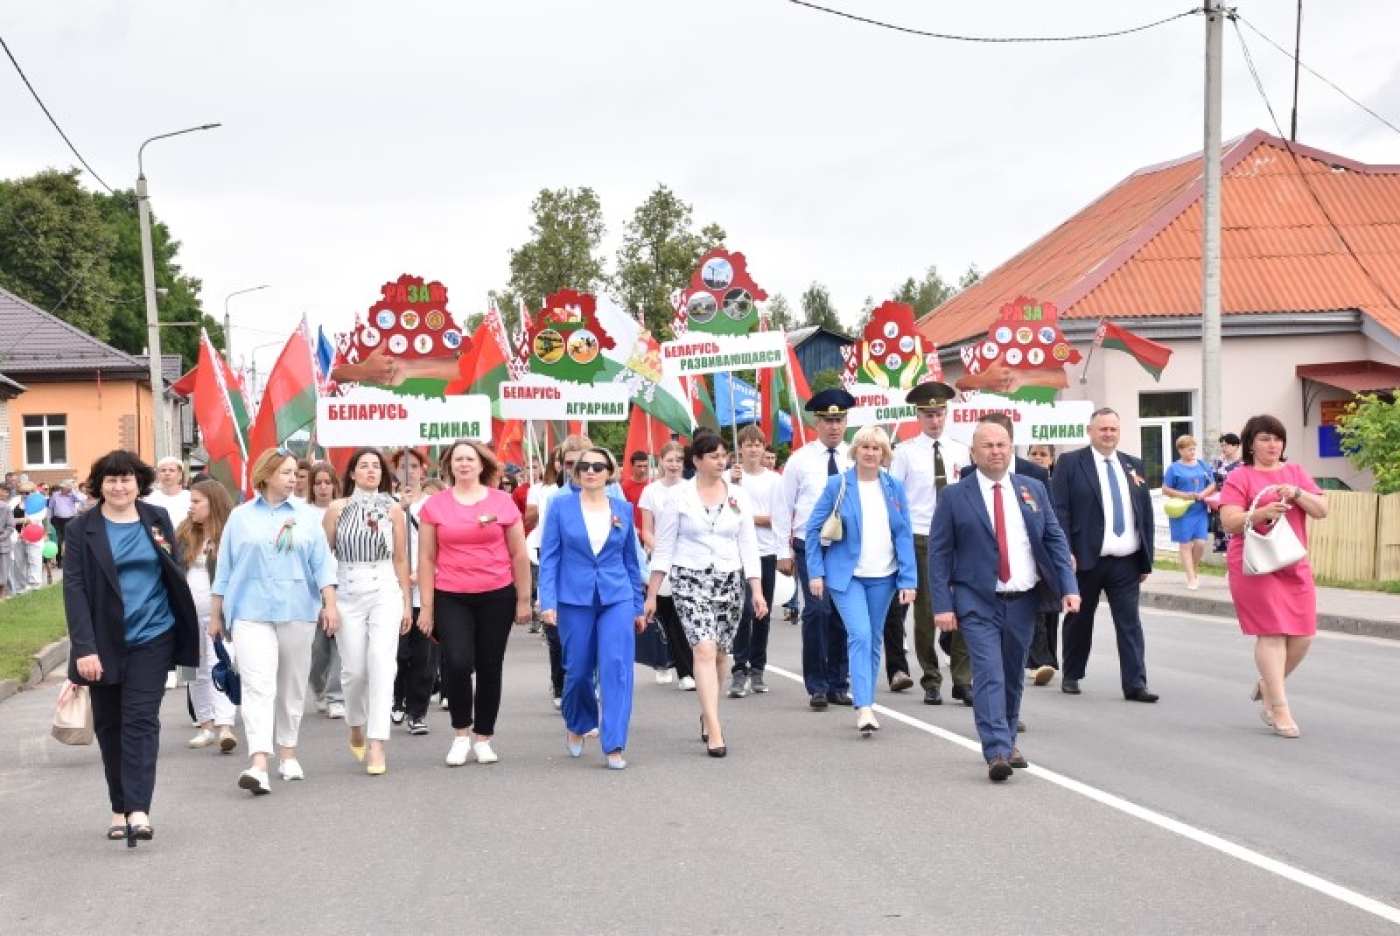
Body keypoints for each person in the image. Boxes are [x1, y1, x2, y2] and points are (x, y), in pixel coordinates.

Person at [928, 419, 1079, 781]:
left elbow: (1055, 540)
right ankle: (995, 749)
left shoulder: (1032, 489)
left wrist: (1069, 587)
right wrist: (942, 606)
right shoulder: (954, 496)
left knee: (1012, 675)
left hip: (1023, 599)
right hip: (977, 600)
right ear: (973, 453)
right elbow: (939, 554)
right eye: (987, 445)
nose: (996, 451)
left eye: (1002, 444)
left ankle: (1008, 739)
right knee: (989, 673)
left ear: (1011, 448)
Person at [63, 450, 200, 841]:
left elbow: (171, 573)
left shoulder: (155, 520)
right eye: (111, 480)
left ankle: (139, 809)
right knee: (111, 726)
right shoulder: (80, 530)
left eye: (126, 479)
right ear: (99, 484)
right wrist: (84, 648)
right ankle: (119, 807)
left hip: (153, 637)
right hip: (103, 643)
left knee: (141, 721)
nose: (119, 486)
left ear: (139, 484)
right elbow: (74, 590)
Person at [211, 448, 339, 795]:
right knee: (258, 686)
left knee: (291, 685)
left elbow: (322, 564)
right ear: (266, 476)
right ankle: (258, 763)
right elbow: (224, 568)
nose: (294, 479)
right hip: (249, 612)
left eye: (296, 473)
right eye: (285, 473)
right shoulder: (240, 517)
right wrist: (215, 614)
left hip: (296, 609)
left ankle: (288, 752)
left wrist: (330, 603)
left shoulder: (307, 516)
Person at [645, 432, 764, 757]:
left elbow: (748, 544)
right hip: (690, 578)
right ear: (696, 461)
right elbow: (665, 546)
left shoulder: (739, 496)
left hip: (729, 579)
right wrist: (653, 593)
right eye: (712, 456)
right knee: (704, 649)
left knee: (723, 653)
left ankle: (707, 710)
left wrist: (756, 588)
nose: (720, 461)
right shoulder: (679, 497)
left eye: (723, 455)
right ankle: (714, 728)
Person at [417, 440, 533, 767]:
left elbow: (519, 553)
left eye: (470, 459)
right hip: (451, 594)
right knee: (456, 661)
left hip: (496, 593)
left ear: (482, 465)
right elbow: (426, 558)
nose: (464, 464)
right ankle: (460, 734)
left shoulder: (503, 502)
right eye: (458, 460)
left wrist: (524, 599)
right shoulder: (435, 505)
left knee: (489, 665)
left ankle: (483, 737)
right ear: (449, 466)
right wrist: (426, 608)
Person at [1218, 415, 1328, 738]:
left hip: (1293, 562)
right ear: (1250, 443)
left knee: (1303, 634)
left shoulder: (1295, 473)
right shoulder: (1240, 476)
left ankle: (1268, 684)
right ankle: (1278, 707)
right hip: (1254, 565)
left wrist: (1296, 493)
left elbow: (1322, 509)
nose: (1273, 445)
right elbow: (1229, 521)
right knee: (1272, 633)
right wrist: (1260, 514)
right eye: (1265, 438)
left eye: (1278, 439)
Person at [538, 447, 647, 769]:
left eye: (598, 466)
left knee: (616, 667)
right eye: (583, 466)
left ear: (609, 472)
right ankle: (578, 722)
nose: (590, 471)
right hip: (574, 597)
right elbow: (550, 557)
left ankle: (614, 743)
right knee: (578, 670)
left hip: (617, 596)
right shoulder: (560, 507)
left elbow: (631, 559)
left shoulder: (623, 509)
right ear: (576, 472)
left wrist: (638, 606)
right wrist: (548, 600)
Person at [805, 426, 917, 734]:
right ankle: (864, 706)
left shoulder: (893, 486)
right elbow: (812, 530)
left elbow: (904, 534)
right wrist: (815, 572)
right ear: (855, 451)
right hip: (847, 576)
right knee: (861, 634)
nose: (870, 453)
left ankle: (865, 700)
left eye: (877, 448)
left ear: (884, 454)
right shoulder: (837, 485)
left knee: (874, 638)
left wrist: (909, 579)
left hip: (884, 576)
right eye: (865, 447)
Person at [1050, 408, 1159, 702]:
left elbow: (1144, 514)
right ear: (1090, 431)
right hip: (1085, 558)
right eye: (1103, 429)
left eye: (1113, 429)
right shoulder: (1071, 463)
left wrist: (1146, 558)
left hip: (1125, 560)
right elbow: (1059, 511)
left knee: (1130, 623)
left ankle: (1135, 683)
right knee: (1079, 619)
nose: (1109, 434)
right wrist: (1064, 552)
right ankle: (1072, 674)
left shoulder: (1132, 465)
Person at [322, 448, 412, 775]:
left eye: (376, 466)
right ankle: (355, 722)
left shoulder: (393, 509)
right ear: (352, 473)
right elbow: (323, 558)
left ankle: (377, 743)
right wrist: (327, 601)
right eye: (364, 466)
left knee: (381, 663)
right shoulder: (336, 509)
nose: (371, 471)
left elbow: (401, 558)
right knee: (355, 669)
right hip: (347, 589)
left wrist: (405, 601)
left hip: (385, 588)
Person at [886, 380, 971, 704]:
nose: (934, 420)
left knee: (964, 606)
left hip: (959, 537)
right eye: (928, 415)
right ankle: (931, 677)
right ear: (918, 416)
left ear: (946, 414)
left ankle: (962, 678)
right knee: (925, 613)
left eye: (939, 414)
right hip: (922, 537)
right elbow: (896, 502)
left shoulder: (961, 451)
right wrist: (899, 542)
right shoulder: (905, 453)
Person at [773, 388, 855, 710]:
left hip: (845, 547)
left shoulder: (854, 456)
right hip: (811, 545)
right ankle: (817, 684)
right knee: (817, 611)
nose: (834, 427)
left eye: (839, 420)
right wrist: (782, 551)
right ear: (816, 423)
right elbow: (783, 507)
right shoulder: (800, 460)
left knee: (841, 615)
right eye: (828, 420)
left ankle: (838, 682)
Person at [178, 480, 239, 754]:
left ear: (212, 504)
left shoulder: (231, 534)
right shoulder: (184, 533)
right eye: (190, 501)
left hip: (219, 617)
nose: (191, 507)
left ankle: (225, 726)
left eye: (196, 502)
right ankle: (205, 725)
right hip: (187, 617)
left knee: (220, 666)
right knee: (193, 672)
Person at [728, 425, 783, 697]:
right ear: (740, 448)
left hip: (766, 552)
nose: (753, 449)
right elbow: (726, 512)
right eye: (748, 444)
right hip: (736, 554)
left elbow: (777, 519)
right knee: (743, 612)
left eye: (757, 444)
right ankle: (739, 669)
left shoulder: (774, 480)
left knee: (762, 613)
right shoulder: (730, 478)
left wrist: (749, 520)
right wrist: (734, 486)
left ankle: (758, 667)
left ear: (764, 448)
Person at [639, 441, 693, 689]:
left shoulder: (691, 489)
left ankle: (685, 672)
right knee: (661, 615)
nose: (674, 465)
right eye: (670, 459)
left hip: (685, 558)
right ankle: (662, 662)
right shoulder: (651, 492)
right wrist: (662, 551)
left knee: (681, 618)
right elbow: (647, 530)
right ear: (661, 461)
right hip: (660, 559)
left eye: (678, 460)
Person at [391, 448, 437, 735]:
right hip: (394, 593)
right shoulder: (386, 504)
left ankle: (417, 711)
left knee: (425, 656)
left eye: (414, 467)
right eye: (401, 467)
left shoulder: (436, 504)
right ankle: (396, 699)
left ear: (423, 471)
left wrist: (424, 574)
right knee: (398, 653)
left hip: (427, 592)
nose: (409, 471)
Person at [303, 462, 345, 719]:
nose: (322, 487)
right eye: (317, 482)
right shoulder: (303, 512)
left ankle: (335, 695)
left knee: (339, 640)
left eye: (327, 482)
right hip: (310, 585)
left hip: (341, 581)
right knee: (317, 646)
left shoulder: (343, 510)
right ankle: (318, 687)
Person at [1162, 434, 1216, 590]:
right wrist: (1184, 495)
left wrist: (1204, 493)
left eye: (1193, 449)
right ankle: (1192, 578)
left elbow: (1212, 484)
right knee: (1185, 544)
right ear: (1180, 450)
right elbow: (1165, 489)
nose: (1192, 452)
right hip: (1182, 510)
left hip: (1199, 509)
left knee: (1200, 543)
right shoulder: (1174, 468)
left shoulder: (1202, 465)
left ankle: (1192, 570)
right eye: (1188, 449)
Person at [1212, 432, 1244, 554]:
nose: (1223, 448)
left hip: (1238, 504)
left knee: (1237, 538)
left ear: (1236, 446)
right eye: (1222, 445)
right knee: (1224, 538)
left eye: (1226, 445)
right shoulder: (1218, 463)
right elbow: (1212, 483)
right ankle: (1228, 569)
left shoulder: (1244, 464)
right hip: (1221, 504)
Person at [143, 456, 192, 527]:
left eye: (172, 470)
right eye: (163, 470)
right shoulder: (149, 499)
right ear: (158, 474)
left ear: (180, 474)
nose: (167, 473)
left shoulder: (190, 497)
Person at [49, 478, 82, 566]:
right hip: (57, 520)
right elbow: (51, 507)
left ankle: (70, 560)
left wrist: (73, 491)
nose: (63, 490)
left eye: (66, 488)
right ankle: (60, 560)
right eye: (62, 488)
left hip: (70, 519)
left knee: (69, 540)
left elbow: (82, 499)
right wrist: (50, 519)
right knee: (58, 540)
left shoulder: (73, 496)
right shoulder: (55, 495)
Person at [620, 450, 651, 528]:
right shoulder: (624, 487)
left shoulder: (652, 485)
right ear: (632, 466)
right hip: (634, 531)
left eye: (645, 466)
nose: (642, 470)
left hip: (651, 531)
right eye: (639, 466)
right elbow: (621, 511)